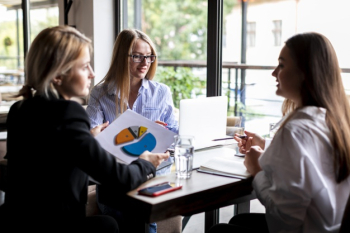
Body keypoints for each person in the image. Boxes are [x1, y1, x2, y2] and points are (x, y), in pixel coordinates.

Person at [0, 25, 169, 233]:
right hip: (53, 225)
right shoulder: (68, 112)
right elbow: (121, 178)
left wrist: (86, 138)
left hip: (15, 221)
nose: (92, 73)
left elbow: (44, 162)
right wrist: (146, 163)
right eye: (84, 66)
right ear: (58, 75)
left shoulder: (20, 109)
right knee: (108, 226)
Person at [209, 32, 350, 233]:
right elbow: (312, 162)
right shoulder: (336, 121)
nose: (274, 73)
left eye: (282, 65)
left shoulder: (295, 130)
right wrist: (267, 145)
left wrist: (256, 170)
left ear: (305, 73)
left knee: (219, 230)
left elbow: (285, 221)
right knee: (238, 220)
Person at [86, 29, 179, 233]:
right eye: (137, 56)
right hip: (114, 171)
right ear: (122, 57)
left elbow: (175, 134)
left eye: (149, 56)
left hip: (151, 170)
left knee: (138, 204)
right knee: (122, 203)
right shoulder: (100, 94)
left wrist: (162, 132)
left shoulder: (161, 92)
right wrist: (98, 134)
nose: (145, 62)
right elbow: (92, 136)